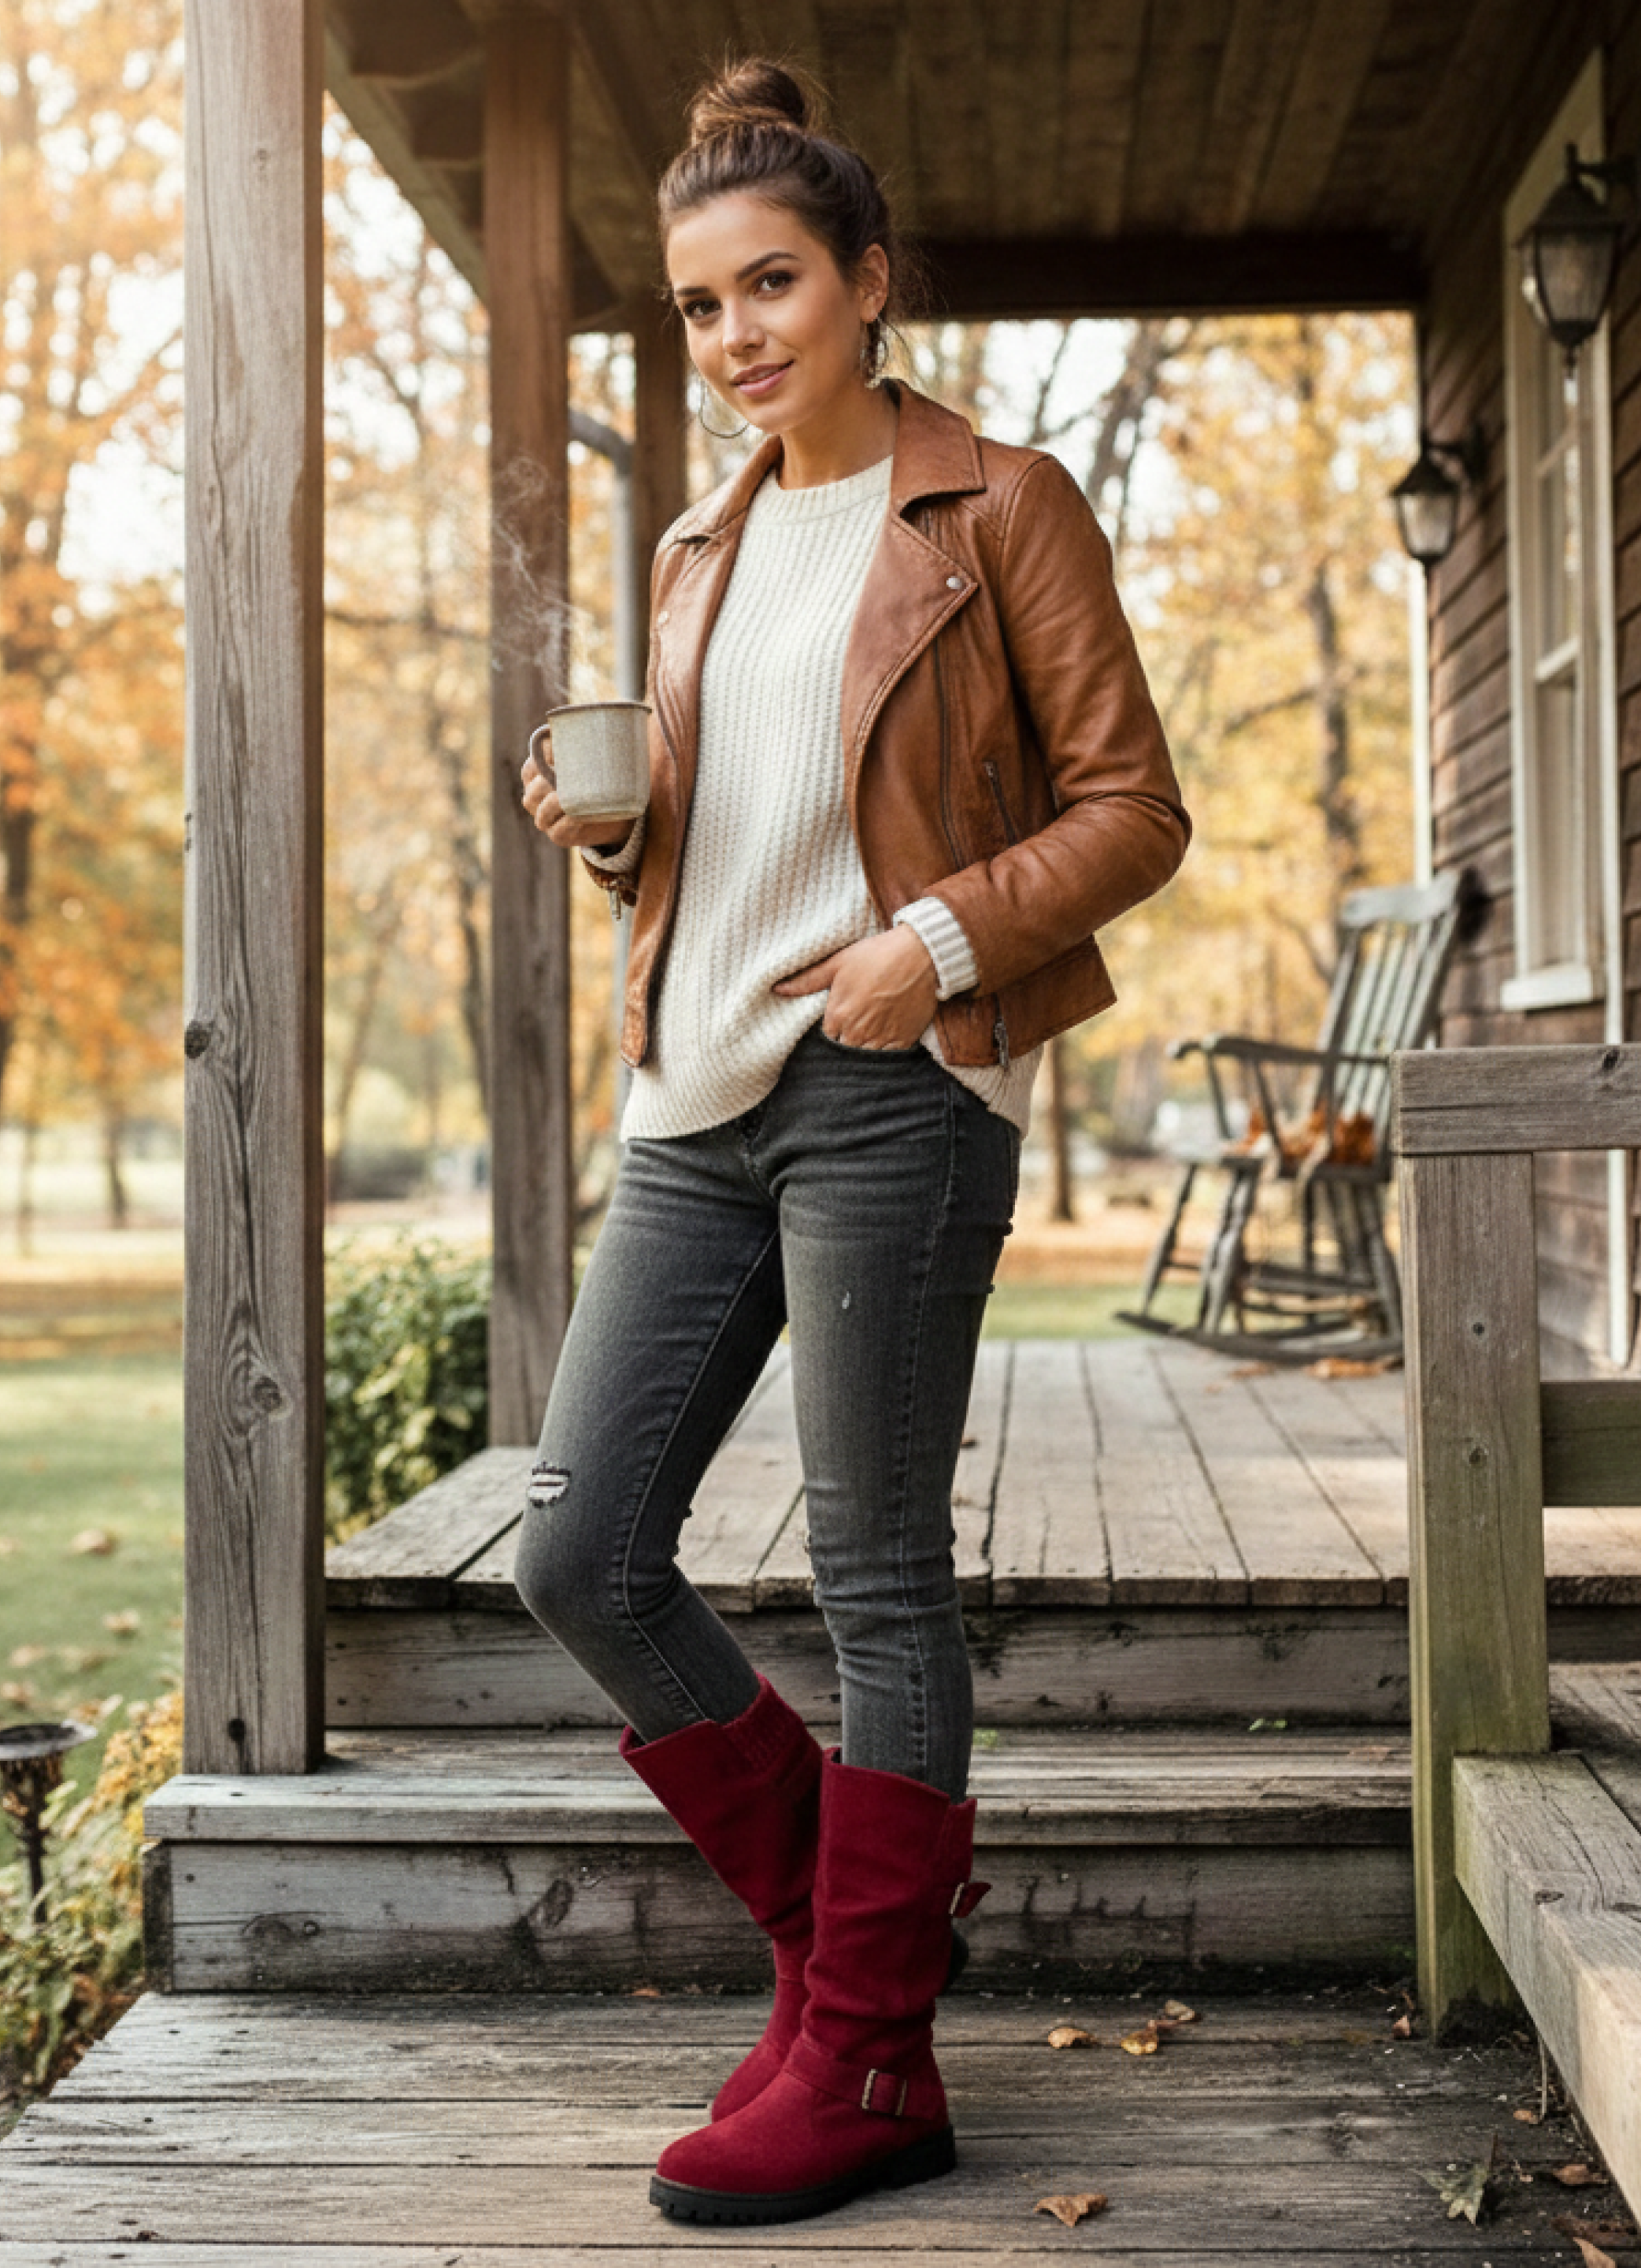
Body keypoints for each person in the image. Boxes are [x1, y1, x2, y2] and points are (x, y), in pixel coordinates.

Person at [513, 57, 1189, 2229]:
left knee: (876, 1577)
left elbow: (1135, 810)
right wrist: (612, 838)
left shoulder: (1002, 507)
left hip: (897, 1087)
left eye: (774, 285)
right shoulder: (696, 544)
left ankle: (872, 2059)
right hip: (695, 1096)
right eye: (701, 304)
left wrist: (934, 942)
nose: (735, 335)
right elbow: (727, 842)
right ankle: (848, 1968)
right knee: (577, 1551)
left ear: (869, 282)